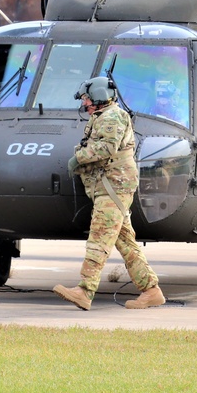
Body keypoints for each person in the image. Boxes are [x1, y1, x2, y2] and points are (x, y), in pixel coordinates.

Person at [53, 76, 166, 311]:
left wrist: (78, 159)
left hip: (113, 186)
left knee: (99, 237)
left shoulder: (113, 116)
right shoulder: (104, 116)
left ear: (99, 96)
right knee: (125, 242)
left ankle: (85, 291)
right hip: (110, 186)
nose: (85, 104)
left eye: (86, 99)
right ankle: (151, 291)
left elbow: (106, 147)